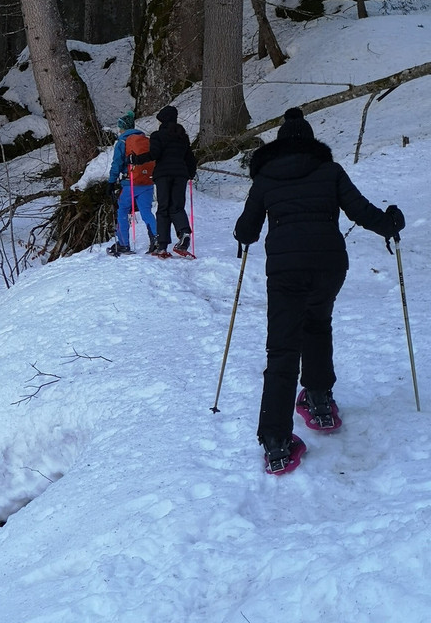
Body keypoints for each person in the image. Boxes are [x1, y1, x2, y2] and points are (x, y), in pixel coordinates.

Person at [233, 107, 405, 475]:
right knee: (316, 323)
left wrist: (243, 236)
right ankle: (319, 398)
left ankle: (277, 441)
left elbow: (247, 228)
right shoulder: (330, 171)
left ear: (279, 146)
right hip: (329, 265)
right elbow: (360, 210)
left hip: (285, 271)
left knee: (282, 349)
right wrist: (388, 223)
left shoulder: (265, 178)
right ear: (311, 143)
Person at [131, 105, 197, 258]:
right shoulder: (183, 136)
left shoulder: (157, 135)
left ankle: (162, 246)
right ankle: (184, 233)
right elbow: (190, 158)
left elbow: (155, 154)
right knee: (177, 206)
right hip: (180, 175)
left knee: (163, 208)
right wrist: (190, 173)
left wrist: (136, 160)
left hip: (163, 175)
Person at [106, 111, 158, 256]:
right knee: (146, 212)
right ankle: (157, 239)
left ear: (123, 128)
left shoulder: (122, 142)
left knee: (122, 210)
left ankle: (123, 244)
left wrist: (111, 182)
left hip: (130, 183)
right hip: (147, 182)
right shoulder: (144, 140)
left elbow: (117, 164)